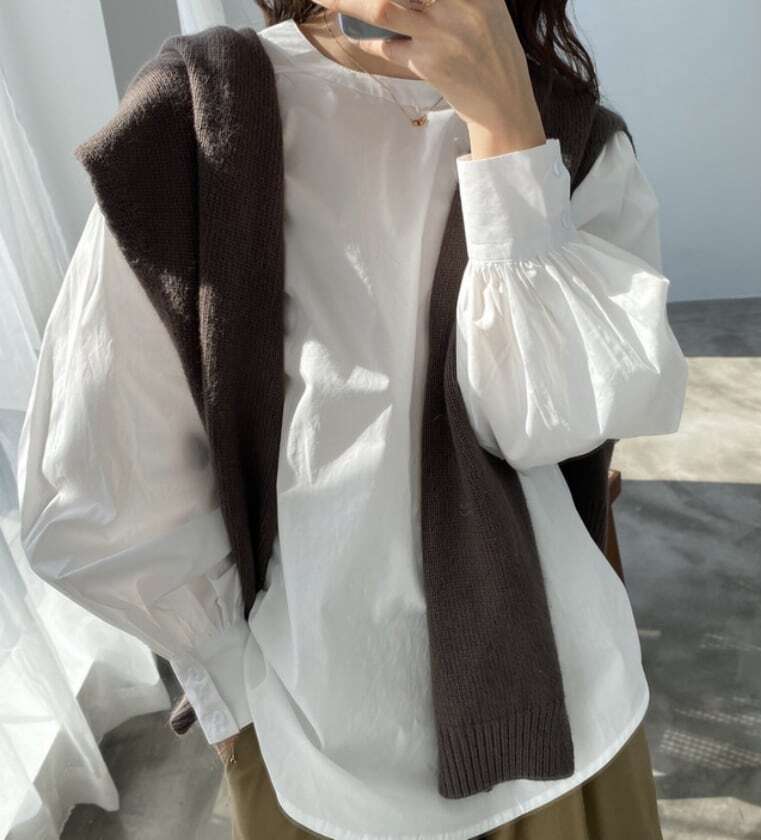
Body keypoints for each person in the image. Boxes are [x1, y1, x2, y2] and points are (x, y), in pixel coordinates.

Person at [16, 0, 688, 837]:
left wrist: (509, 139)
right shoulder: (201, 119)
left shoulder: (576, 138)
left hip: (567, 710)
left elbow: (555, 423)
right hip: (312, 752)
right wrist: (230, 691)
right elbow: (98, 474)